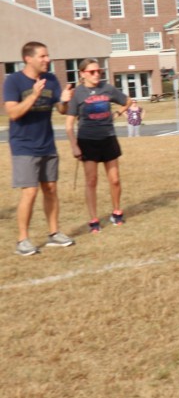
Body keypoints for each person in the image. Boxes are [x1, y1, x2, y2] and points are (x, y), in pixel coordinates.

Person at [4, 41, 75, 255]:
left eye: (48, 55)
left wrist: (64, 101)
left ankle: (54, 233)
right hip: (23, 145)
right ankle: (22, 240)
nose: (47, 59)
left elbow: (61, 111)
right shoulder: (13, 81)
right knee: (30, 192)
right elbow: (13, 113)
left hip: (47, 143)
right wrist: (34, 95)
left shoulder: (51, 79)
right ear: (28, 58)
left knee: (51, 189)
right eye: (43, 56)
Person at [65, 58, 130, 233]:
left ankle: (116, 212)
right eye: (92, 72)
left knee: (115, 180)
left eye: (99, 71)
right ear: (82, 74)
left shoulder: (107, 88)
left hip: (108, 138)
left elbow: (127, 101)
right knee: (91, 181)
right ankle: (93, 219)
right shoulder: (78, 93)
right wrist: (74, 146)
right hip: (87, 141)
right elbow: (69, 124)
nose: (96, 75)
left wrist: (117, 113)